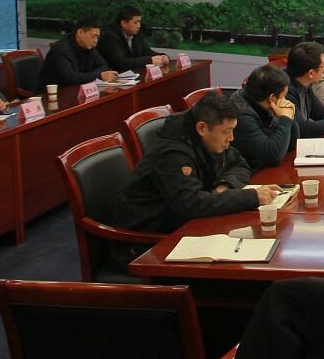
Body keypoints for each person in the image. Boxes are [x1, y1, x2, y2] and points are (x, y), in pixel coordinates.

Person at [111, 94, 281, 266]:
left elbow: (240, 164)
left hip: (184, 228)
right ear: (202, 128)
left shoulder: (207, 139)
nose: (231, 138)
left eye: (232, 130)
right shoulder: (171, 154)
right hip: (144, 245)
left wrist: (224, 186)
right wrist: (251, 197)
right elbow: (191, 204)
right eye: (226, 131)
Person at [227, 64, 298, 170]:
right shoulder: (242, 116)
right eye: (284, 96)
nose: (285, 101)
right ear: (271, 98)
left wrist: (290, 115)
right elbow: (273, 157)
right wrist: (285, 118)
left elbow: (292, 144)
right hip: (249, 173)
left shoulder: (259, 101)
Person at [39, 20, 118, 86]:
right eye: (93, 36)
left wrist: (96, 75)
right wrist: (99, 75)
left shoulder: (88, 47)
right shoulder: (61, 50)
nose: (95, 41)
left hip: (76, 90)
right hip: (53, 94)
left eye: (97, 37)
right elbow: (70, 78)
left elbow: (103, 65)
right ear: (80, 32)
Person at [98, 5, 169, 71]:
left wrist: (162, 56)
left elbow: (147, 52)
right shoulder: (110, 37)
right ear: (123, 23)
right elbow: (121, 63)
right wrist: (150, 60)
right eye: (135, 23)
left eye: (139, 22)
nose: (139, 26)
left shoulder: (136, 34)